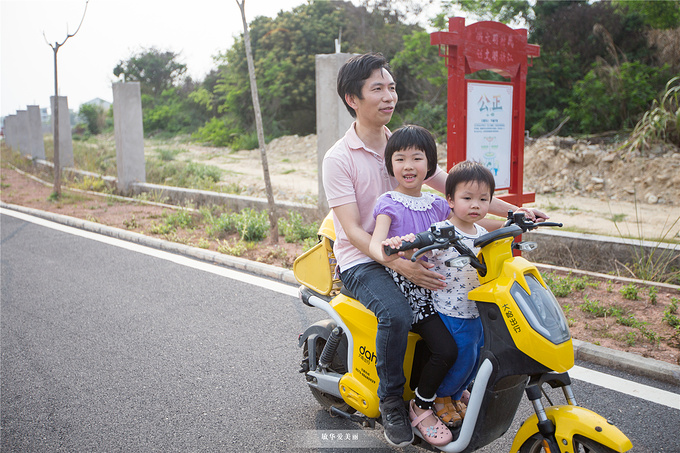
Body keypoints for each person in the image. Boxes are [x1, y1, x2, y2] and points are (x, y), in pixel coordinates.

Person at [322, 52, 547, 448]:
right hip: (364, 260)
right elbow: (354, 231)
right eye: (377, 88)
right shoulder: (339, 158)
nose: (389, 95)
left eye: (391, 87)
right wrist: (398, 265)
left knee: (467, 305)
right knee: (397, 312)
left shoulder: (406, 143)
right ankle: (393, 401)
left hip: (421, 252)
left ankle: (445, 387)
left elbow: (459, 190)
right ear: (352, 99)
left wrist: (517, 211)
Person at [368, 124, 457, 446]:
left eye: (417, 158)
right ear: (391, 165)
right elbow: (378, 244)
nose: (408, 166)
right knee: (446, 348)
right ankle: (420, 406)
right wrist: (396, 252)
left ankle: (448, 392)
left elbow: (471, 219)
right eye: (400, 158)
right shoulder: (389, 203)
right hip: (413, 292)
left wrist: (512, 221)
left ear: (430, 165)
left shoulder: (437, 204)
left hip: (443, 287)